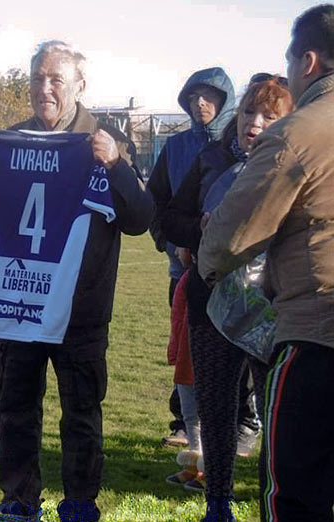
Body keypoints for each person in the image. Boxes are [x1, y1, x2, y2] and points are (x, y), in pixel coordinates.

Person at [0, 40, 154, 522]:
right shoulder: (8, 140)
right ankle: (19, 501)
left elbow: (141, 219)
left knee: (81, 413)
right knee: (18, 411)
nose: (45, 88)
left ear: (80, 86)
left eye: (56, 79)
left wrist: (117, 166)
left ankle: (80, 502)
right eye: (38, 78)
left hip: (81, 312)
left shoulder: (104, 142)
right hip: (20, 305)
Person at [197, 5, 334, 521]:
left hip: (316, 336)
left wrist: (208, 265)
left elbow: (234, 233)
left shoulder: (299, 132)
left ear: (309, 61)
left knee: (294, 494)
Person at [163, 77, 293, 522]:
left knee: (275, 420)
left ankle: (270, 505)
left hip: (271, 306)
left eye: (269, 116)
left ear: (287, 122)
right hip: (209, 302)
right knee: (216, 410)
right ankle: (218, 505)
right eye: (247, 113)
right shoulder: (211, 159)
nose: (254, 123)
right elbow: (170, 219)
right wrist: (201, 226)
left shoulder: (293, 164)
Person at [147, 67, 235, 448]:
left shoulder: (239, 146)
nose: (201, 103)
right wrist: (172, 244)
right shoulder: (176, 147)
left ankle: (240, 422)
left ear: (225, 100)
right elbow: (156, 204)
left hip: (231, 274)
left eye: (209, 96)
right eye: (194, 97)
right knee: (184, 350)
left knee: (232, 352)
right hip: (181, 270)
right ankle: (185, 424)